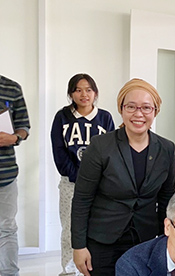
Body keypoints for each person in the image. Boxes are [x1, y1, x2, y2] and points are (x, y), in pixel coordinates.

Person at [71, 78, 175, 276]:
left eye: (146, 107)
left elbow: (166, 198)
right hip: (103, 241)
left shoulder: (166, 149)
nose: (139, 114)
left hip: (145, 240)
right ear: (121, 109)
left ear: (155, 111)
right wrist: (78, 247)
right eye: (131, 107)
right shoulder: (100, 146)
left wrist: (167, 241)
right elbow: (82, 199)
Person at [51, 73, 115, 276]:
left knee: (96, 229)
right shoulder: (62, 117)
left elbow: (112, 152)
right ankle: (69, 271)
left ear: (95, 93)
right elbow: (59, 153)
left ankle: (92, 269)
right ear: (71, 93)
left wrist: (98, 179)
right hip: (71, 184)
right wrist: (80, 178)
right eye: (78, 90)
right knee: (70, 230)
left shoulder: (105, 117)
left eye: (88, 89)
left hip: (100, 185)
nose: (83, 94)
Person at [0, 75, 30, 276]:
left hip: (6, 175)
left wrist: (14, 137)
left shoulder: (11, 88)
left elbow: (24, 126)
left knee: (7, 229)